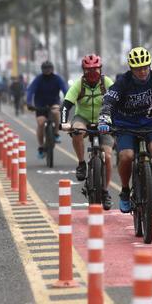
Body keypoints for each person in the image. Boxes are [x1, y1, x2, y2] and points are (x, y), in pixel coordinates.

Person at [98, 47, 152, 214]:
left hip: (150, 122)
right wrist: (104, 118)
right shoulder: (123, 82)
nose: (142, 72)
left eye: (145, 67)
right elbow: (109, 101)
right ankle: (125, 191)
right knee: (126, 156)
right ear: (131, 69)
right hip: (125, 125)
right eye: (138, 69)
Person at [60, 54, 115, 210]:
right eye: (88, 70)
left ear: (100, 69)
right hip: (82, 118)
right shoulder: (79, 85)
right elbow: (66, 105)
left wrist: (117, 121)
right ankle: (82, 164)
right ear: (83, 71)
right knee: (77, 131)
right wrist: (64, 122)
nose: (92, 73)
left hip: (104, 121)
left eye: (95, 69)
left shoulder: (107, 83)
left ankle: (105, 191)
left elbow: (119, 102)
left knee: (108, 156)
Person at [26, 61, 68, 159]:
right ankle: (41, 147)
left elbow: (65, 90)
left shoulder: (57, 79)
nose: (47, 70)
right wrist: (28, 103)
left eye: (49, 68)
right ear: (42, 70)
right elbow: (30, 90)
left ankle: (56, 133)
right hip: (40, 104)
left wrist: (67, 101)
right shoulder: (38, 79)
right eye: (45, 68)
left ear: (52, 69)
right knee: (41, 123)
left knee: (56, 112)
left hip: (54, 102)